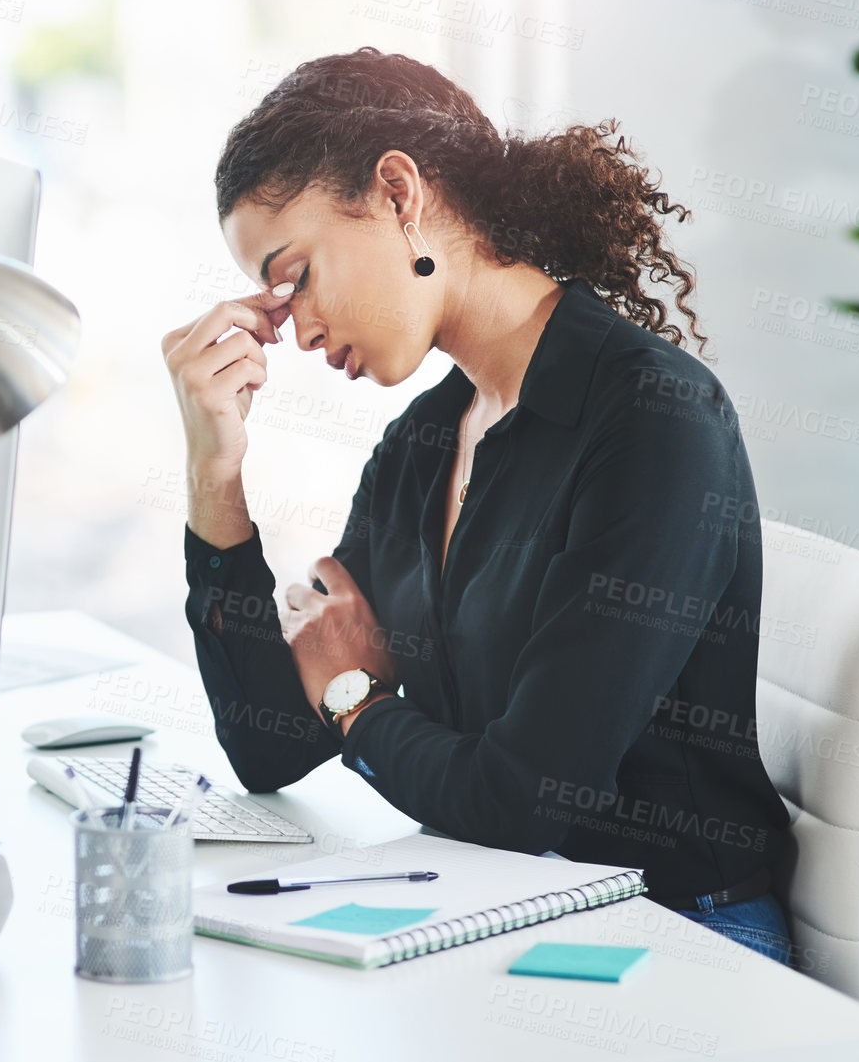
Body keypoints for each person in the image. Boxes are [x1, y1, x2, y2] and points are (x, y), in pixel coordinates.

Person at [160, 47, 797, 966]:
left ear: (395, 191)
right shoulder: (427, 438)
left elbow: (528, 799)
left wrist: (357, 694)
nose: (291, 328)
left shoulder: (654, 421)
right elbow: (270, 745)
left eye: (293, 275)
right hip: (495, 905)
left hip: (670, 937)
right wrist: (213, 471)